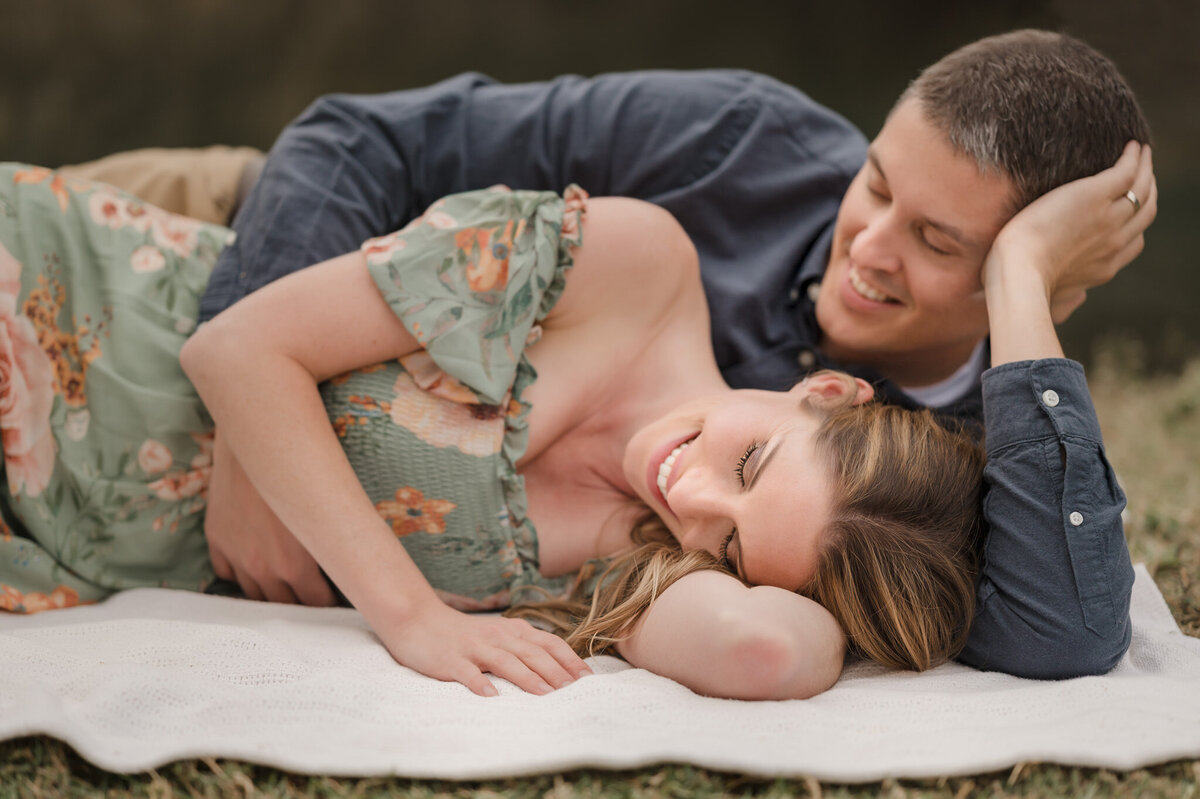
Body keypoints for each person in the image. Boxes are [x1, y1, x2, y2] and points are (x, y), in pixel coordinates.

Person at [174, 29, 1154, 681]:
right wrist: (237, 431)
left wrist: (1024, 282)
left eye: (941, 243)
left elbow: (1062, 629)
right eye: (877, 182)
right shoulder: (741, 140)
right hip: (252, 227)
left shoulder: (945, 468)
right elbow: (361, 138)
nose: (867, 247)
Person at [0, 163, 988, 700]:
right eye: (750, 462)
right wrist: (412, 616)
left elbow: (768, 653)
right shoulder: (632, 270)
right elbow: (237, 350)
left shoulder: (643, 561)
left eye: (731, 543)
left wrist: (799, 580)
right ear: (824, 392)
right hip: (68, 312)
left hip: (51, 526)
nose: (688, 500)